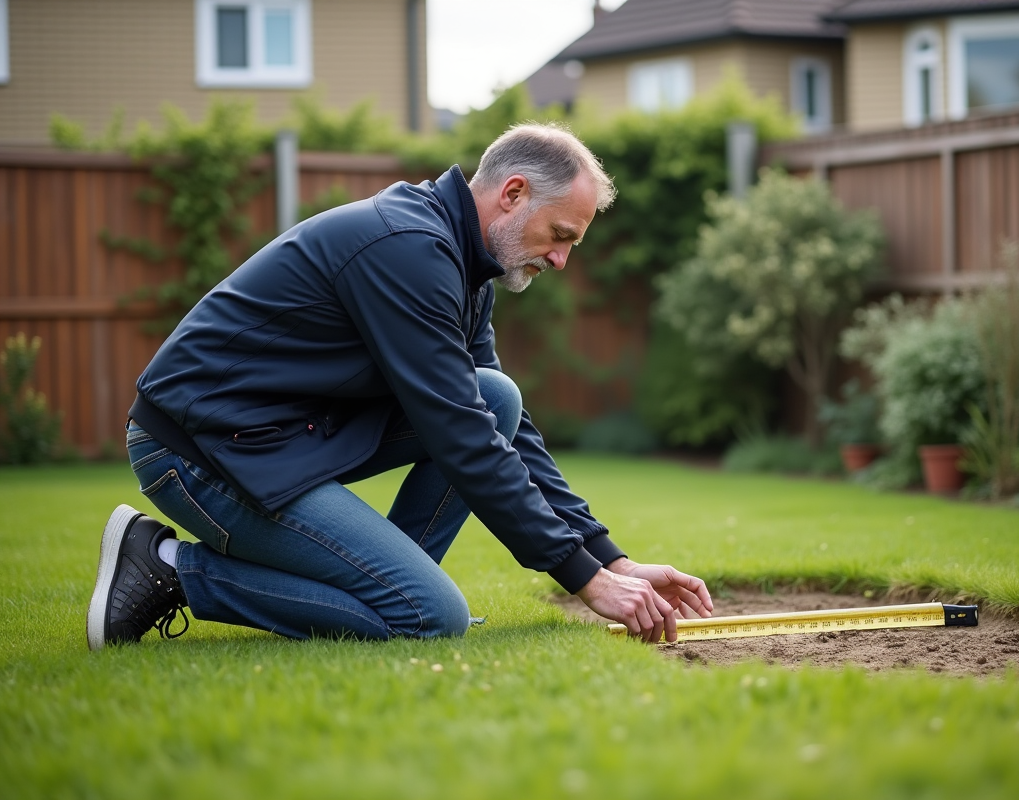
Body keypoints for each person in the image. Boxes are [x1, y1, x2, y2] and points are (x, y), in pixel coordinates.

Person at [86, 122, 712, 651]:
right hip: (200, 452)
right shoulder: (408, 250)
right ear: (514, 193)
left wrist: (609, 559)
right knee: (432, 617)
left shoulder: (462, 269)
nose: (561, 259)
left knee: (496, 396)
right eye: (561, 235)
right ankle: (168, 568)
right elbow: (458, 433)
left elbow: (497, 426)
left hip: (277, 441)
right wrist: (584, 579)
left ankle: (396, 592)